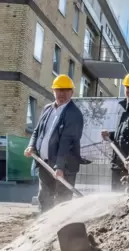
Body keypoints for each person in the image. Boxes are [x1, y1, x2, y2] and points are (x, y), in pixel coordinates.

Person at [24, 74, 84, 212]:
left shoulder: (74, 114)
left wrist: (60, 166)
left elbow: (67, 142)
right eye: (58, 90)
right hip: (45, 163)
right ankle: (45, 227)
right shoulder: (47, 109)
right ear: (53, 91)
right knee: (44, 198)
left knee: (62, 201)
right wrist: (31, 145)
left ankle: (62, 228)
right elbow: (37, 131)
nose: (61, 93)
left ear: (72, 92)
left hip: (65, 167)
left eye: (65, 90)